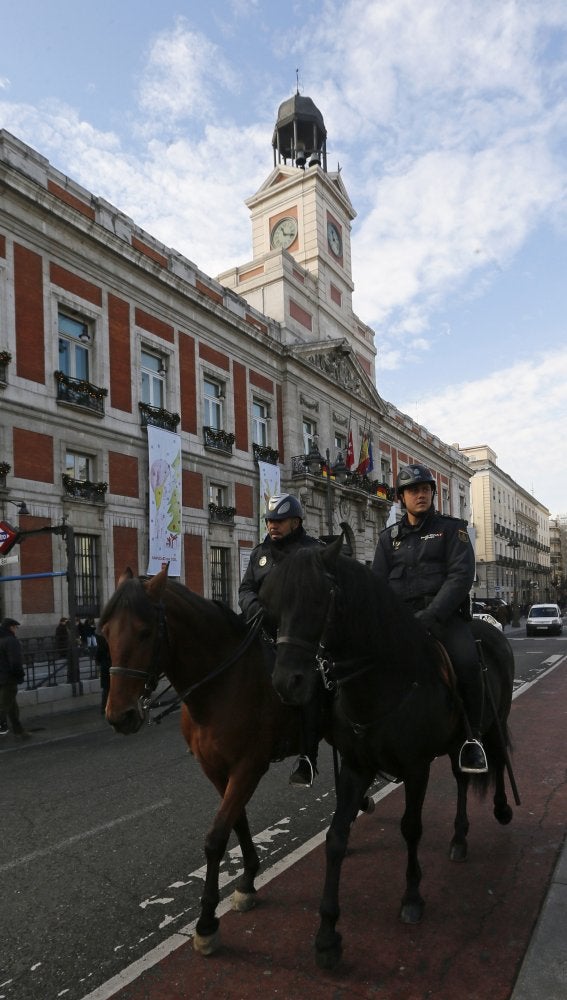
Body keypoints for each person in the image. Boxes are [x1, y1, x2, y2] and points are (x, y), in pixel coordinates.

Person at [372, 464, 488, 774]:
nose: (420, 494)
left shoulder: (452, 530)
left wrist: (429, 616)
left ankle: (472, 739)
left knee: (467, 663)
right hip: (400, 624)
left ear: (432, 494)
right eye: (413, 490)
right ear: (401, 497)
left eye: (425, 489)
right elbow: (377, 585)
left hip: (444, 620)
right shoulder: (388, 539)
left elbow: (461, 577)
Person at [239, 493, 324, 786]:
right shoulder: (259, 553)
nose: (273, 526)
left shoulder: (313, 550)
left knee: (313, 686)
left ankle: (308, 756)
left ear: (296, 522)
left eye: (279, 521)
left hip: (300, 639)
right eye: (270, 520)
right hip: (262, 632)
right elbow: (246, 588)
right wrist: (253, 608)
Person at [0, 617, 30, 739]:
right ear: (11, 627)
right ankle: (6, 727)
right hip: (8, 678)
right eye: (15, 627)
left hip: (1, 677)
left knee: (12, 705)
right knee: (4, 705)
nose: (16, 630)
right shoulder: (11, 641)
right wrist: (19, 675)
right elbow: (16, 662)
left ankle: (19, 730)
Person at [95, 631, 111, 715]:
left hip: (104, 668)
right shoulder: (112, 643)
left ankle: (104, 707)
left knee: (106, 690)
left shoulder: (101, 645)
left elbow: (97, 658)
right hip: (112, 667)